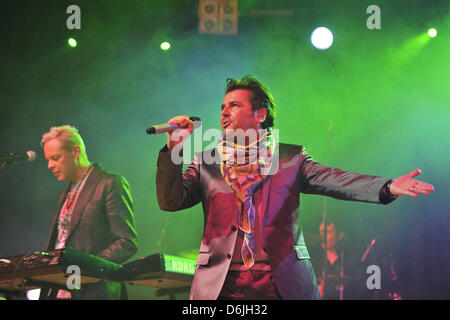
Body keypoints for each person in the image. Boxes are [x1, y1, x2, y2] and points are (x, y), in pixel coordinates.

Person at [155, 75, 434, 300]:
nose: (224, 113)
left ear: (260, 114)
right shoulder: (207, 162)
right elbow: (170, 200)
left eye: (234, 106)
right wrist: (173, 149)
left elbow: (336, 179)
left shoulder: (290, 159)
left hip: (281, 285)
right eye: (222, 107)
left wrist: (387, 187)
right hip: (222, 287)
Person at [40, 125, 138, 300]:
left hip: (95, 290)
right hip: (64, 288)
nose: (50, 165)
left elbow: (126, 242)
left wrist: (86, 266)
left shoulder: (109, 183)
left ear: (75, 151)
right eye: (48, 160)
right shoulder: (66, 192)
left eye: (55, 158)